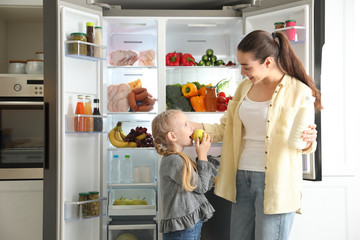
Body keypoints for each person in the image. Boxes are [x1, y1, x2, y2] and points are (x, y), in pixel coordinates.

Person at [191, 30, 322, 240]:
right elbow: (227, 128)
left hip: (276, 182)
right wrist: (190, 126)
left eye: (247, 66)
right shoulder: (244, 88)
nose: (243, 72)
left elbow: (305, 143)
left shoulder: (299, 91)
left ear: (268, 62)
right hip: (241, 177)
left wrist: (309, 141)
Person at [152, 109, 220, 240]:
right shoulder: (175, 161)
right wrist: (202, 154)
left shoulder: (178, 158)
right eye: (185, 125)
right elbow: (202, 187)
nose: (192, 127)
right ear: (172, 136)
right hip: (183, 230)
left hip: (185, 227)